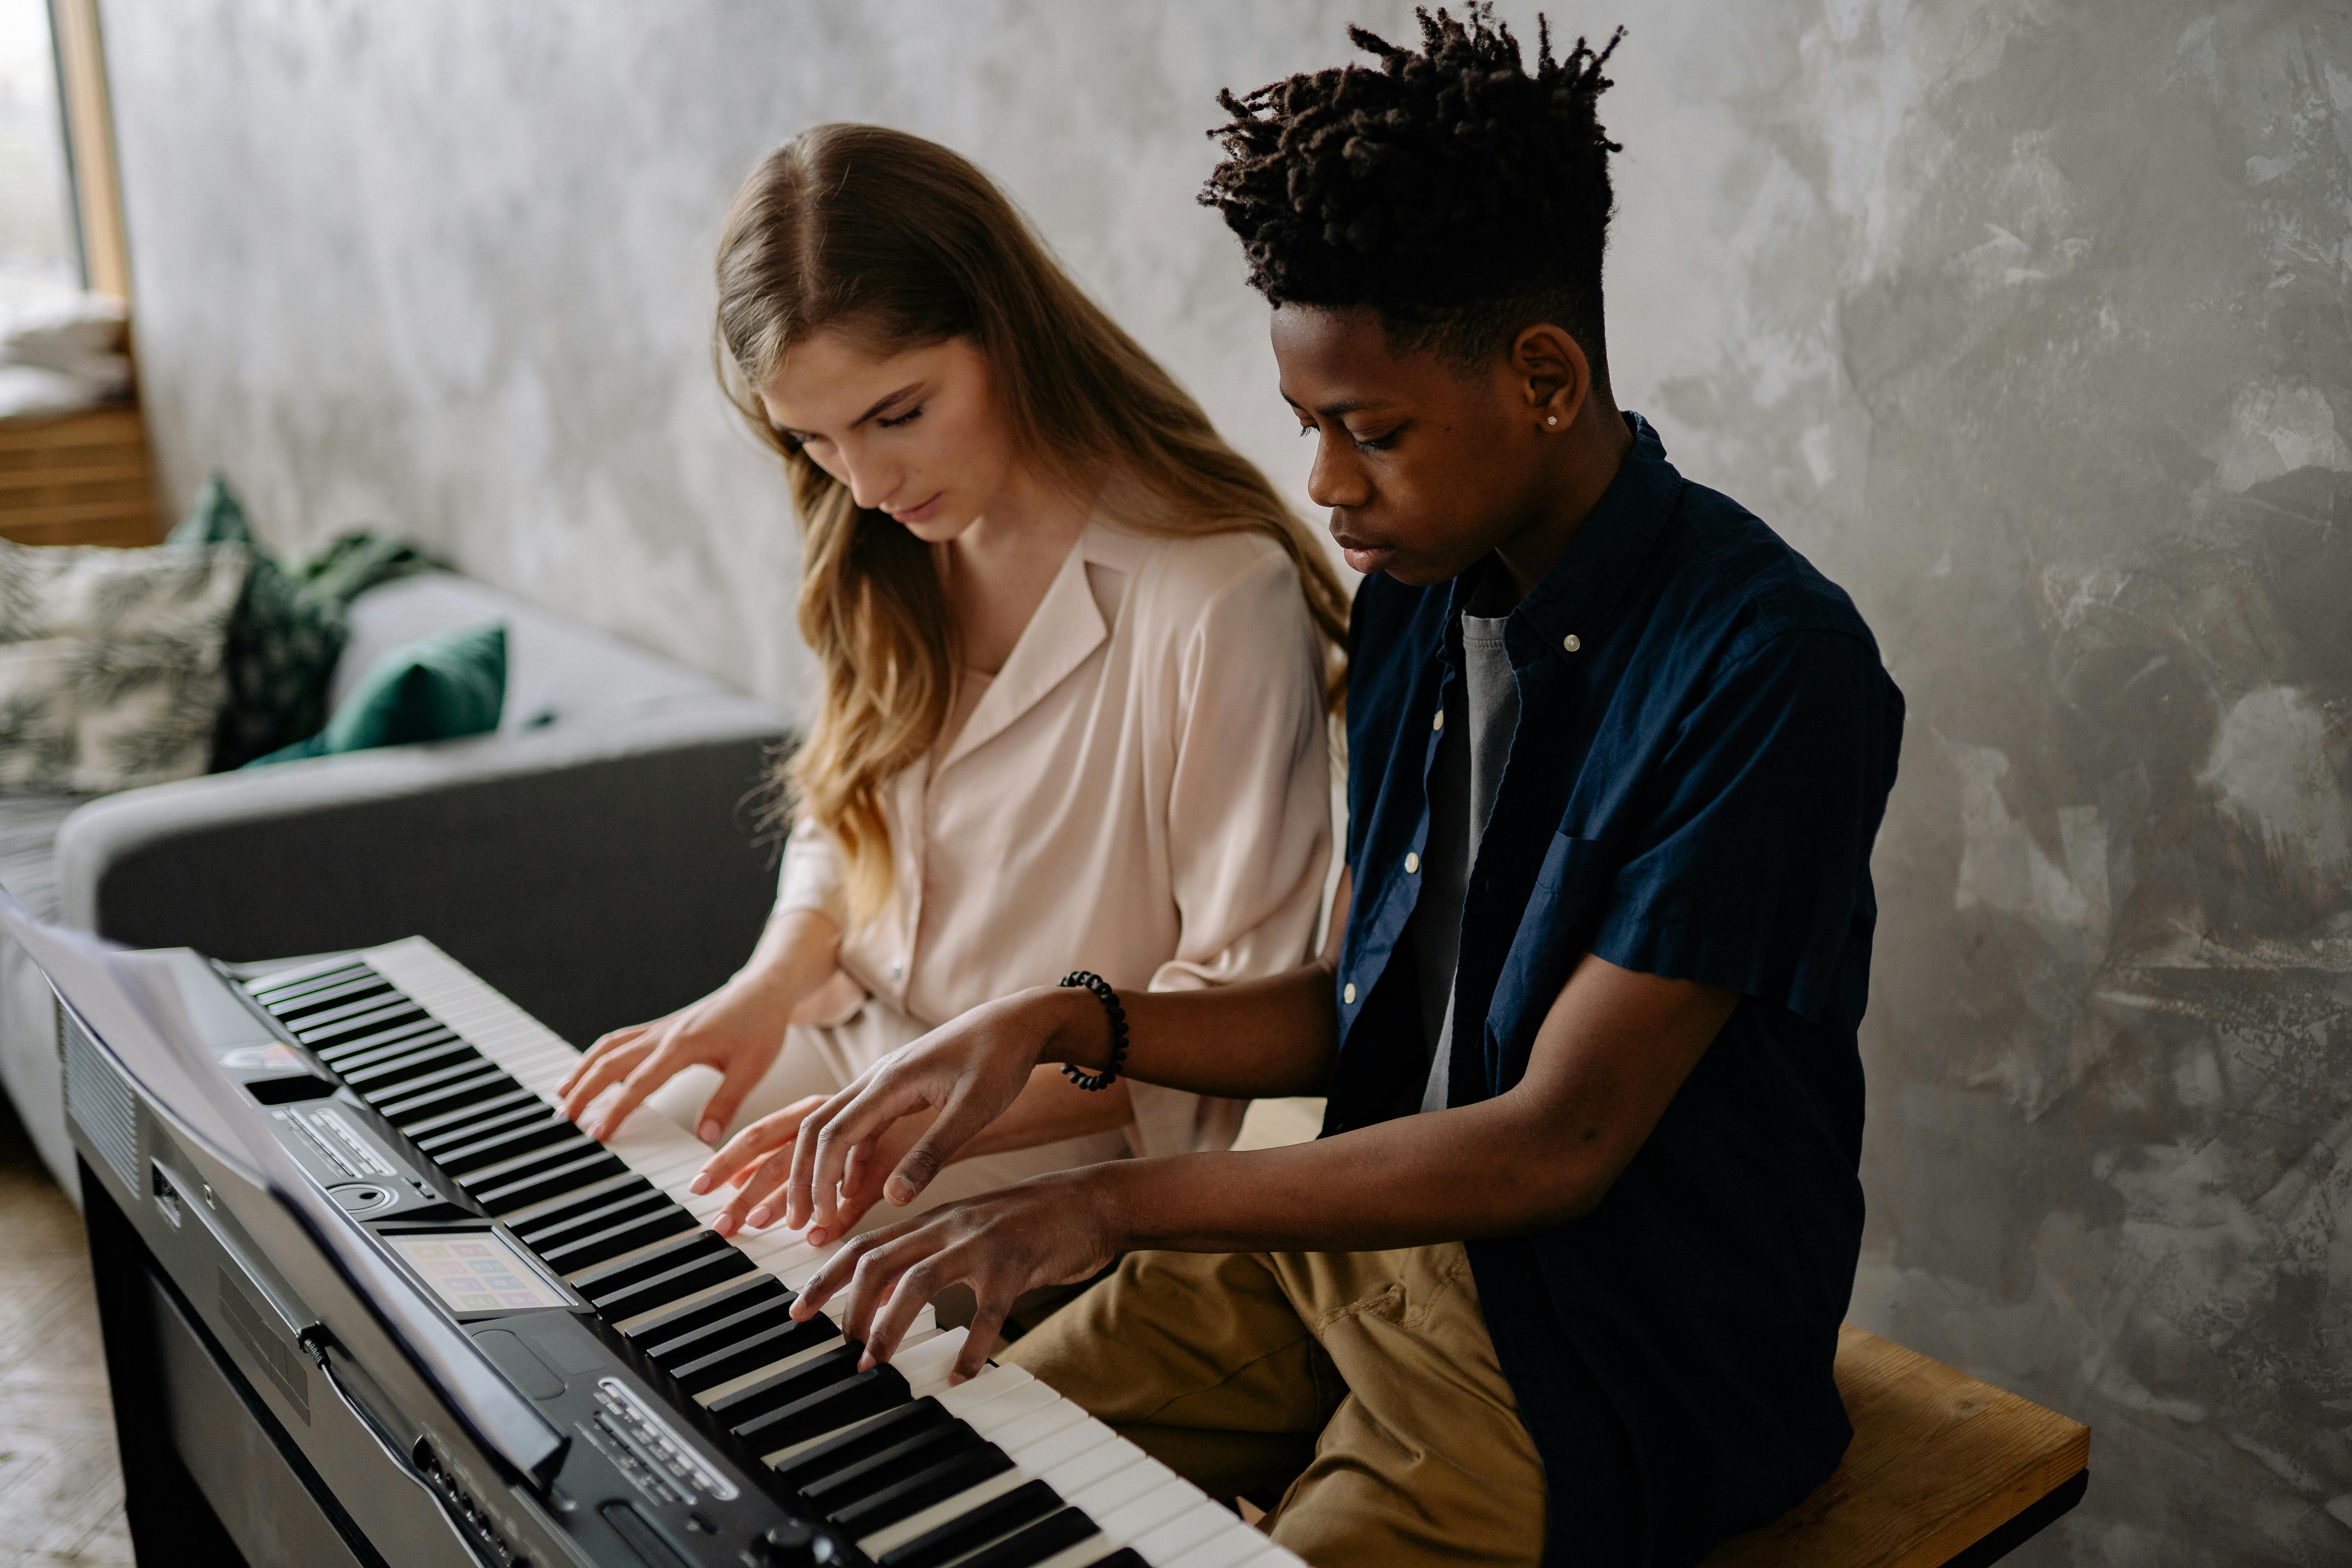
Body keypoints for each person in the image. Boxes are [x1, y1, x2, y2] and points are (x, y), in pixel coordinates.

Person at [724, 11, 1907, 1568]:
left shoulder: (1771, 664)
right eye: (1309, 429)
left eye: (1372, 432)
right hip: (1340, 1249)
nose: (1329, 485)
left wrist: (1121, 1207)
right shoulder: (1419, 583)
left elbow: (1558, 1141)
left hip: (1601, 1357)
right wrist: (1062, 1019)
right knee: (909, 1483)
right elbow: (1359, 1010)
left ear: (1546, 379)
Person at [557, 123, 1348, 1247]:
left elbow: (1228, 1012)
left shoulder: (1214, 595)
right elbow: (844, 814)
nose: (867, 480)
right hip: (844, 1050)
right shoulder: (884, 538)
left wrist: (929, 1129)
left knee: (729, 1302)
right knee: (582, 1201)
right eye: (815, 440)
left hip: (1045, 1137)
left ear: (1007, 331)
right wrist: (765, 988)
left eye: (897, 414)